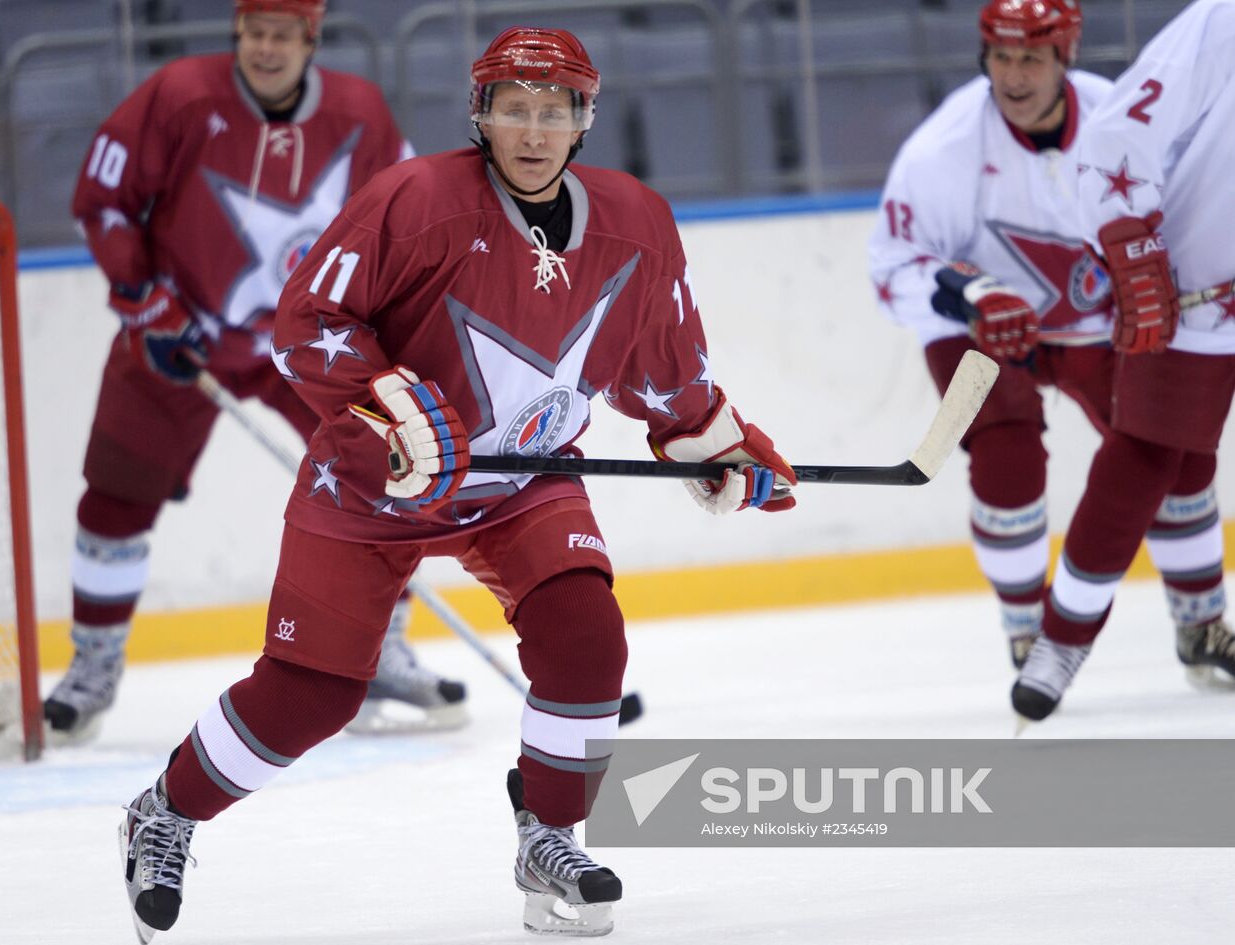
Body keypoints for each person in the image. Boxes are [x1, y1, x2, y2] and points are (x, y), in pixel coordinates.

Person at [113, 26, 796, 941]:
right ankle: (166, 811)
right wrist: (390, 405)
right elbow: (307, 321)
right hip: (376, 486)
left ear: (584, 120)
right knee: (311, 693)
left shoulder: (637, 223)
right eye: (513, 109)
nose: (533, 130)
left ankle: (548, 835)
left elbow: (661, 364)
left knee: (585, 639)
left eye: (555, 111)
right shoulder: (416, 201)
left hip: (525, 478)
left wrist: (713, 441)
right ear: (481, 114)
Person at [48, 0, 467, 743]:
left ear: (311, 41)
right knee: (116, 496)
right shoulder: (179, 96)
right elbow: (103, 203)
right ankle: (93, 667)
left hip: (311, 345)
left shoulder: (360, 113)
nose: (265, 49)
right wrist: (144, 304)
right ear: (236, 34)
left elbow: (407, 221)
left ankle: (383, 652)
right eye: (254, 33)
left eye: (282, 35)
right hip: (180, 335)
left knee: (390, 476)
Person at [868, 0, 1226, 674]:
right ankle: (1028, 632)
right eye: (1001, 57)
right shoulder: (943, 149)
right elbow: (889, 269)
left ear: (1065, 56)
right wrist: (972, 293)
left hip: (1095, 325)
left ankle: (1202, 624)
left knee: (1172, 453)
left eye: (1031, 57)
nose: (1013, 75)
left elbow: (1173, 212)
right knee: (1009, 459)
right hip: (981, 331)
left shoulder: (1118, 119)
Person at [1012, 0, 1235, 721]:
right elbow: (1116, 136)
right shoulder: (1223, 20)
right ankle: (1063, 636)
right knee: (1146, 456)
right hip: (1205, 284)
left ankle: (1196, 625)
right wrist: (1131, 241)